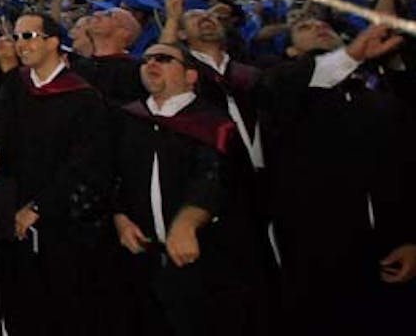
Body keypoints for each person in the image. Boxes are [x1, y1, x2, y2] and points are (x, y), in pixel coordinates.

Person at [259, 24, 416, 334]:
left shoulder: (380, 99)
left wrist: (411, 237)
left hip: (390, 253)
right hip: (320, 260)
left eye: (325, 24)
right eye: (304, 27)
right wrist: (349, 55)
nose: (318, 26)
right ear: (291, 51)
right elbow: (290, 85)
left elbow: (406, 170)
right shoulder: (281, 84)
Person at [0, 11, 111, 335]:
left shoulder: (83, 96)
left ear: (53, 42)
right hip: (14, 218)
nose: (20, 44)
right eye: (17, 37)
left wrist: (38, 208)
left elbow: (85, 166)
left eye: (28, 36)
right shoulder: (15, 85)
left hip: (63, 227)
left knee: (65, 311)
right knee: (21, 308)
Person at [107, 43, 257, 335]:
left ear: (190, 75)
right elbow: (111, 176)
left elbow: (218, 177)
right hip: (142, 261)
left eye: (163, 59)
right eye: (146, 59)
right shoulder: (127, 119)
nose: (151, 64)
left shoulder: (214, 124)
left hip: (207, 261)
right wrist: (119, 217)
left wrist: (189, 220)